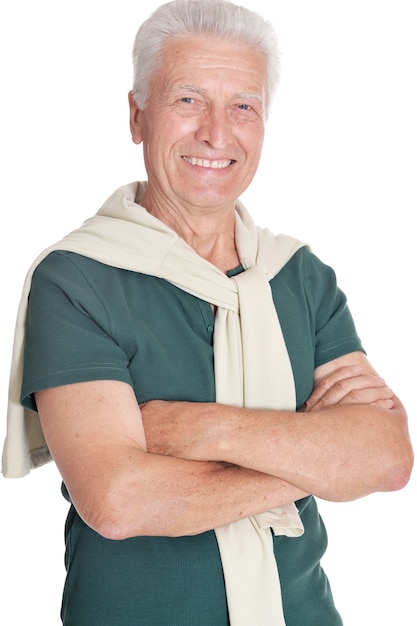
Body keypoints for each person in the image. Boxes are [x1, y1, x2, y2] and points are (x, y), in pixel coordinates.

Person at [2, 0, 413, 624]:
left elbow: (385, 458)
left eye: (243, 106)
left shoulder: (298, 275)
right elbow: (118, 501)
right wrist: (318, 462)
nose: (218, 134)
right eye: (188, 100)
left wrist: (199, 429)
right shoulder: (77, 278)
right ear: (137, 116)